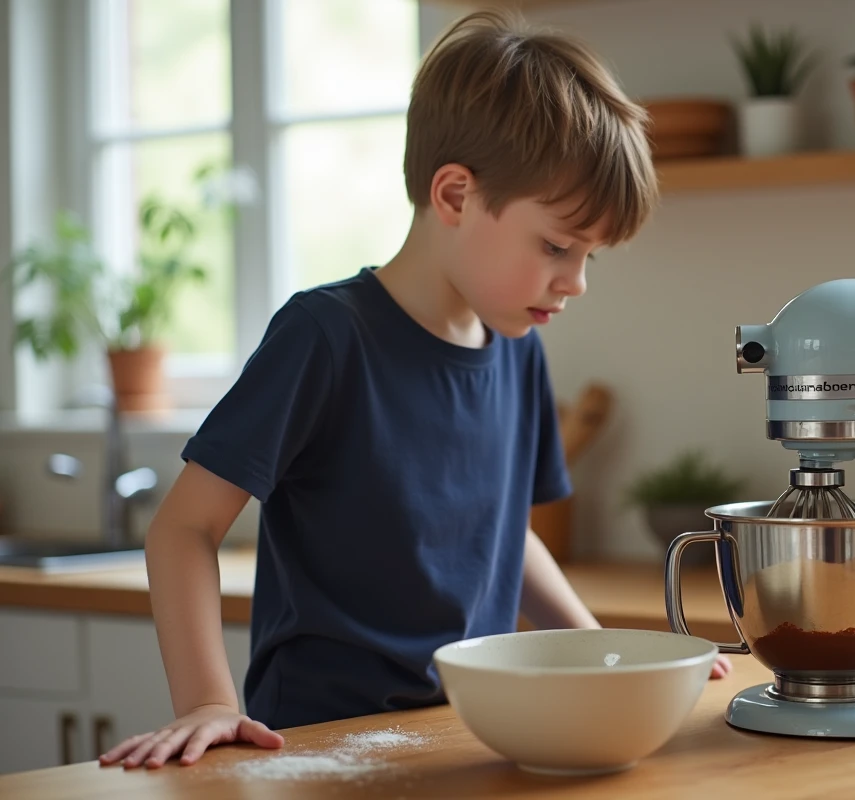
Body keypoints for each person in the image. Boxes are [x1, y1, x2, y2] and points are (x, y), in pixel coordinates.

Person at [100, 10, 732, 771]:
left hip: (465, 734)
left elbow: (509, 535)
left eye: (591, 256)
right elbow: (182, 530)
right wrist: (208, 702)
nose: (578, 282)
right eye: (559, 246)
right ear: (456, 195)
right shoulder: (325, 337)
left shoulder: (516, 348)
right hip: (319, 746)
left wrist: (608, 655)